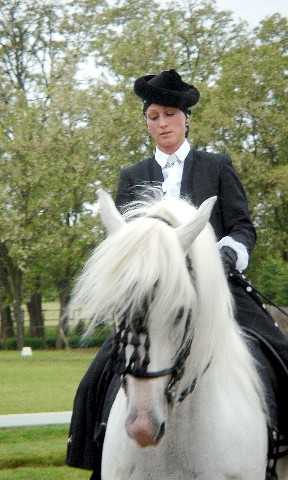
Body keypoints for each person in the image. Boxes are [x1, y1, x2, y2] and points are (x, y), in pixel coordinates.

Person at [67, 69, 288, 478]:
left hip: (214, 288)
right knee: (96, 374)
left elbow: (242, 226)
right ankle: (95, 454)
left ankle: (280, 446)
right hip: (152, 296)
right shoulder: (132, 177)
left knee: (279, 351)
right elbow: (123, 245)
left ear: (186, 118)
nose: (162, 123)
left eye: (170, 114)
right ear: (146, 121)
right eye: (153, 116)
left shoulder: (217, 166)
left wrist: (228, 252)